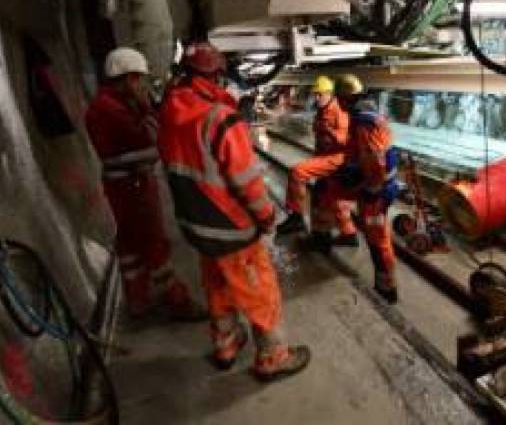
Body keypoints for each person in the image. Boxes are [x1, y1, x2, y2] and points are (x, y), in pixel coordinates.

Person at [157, 41, 311, 381]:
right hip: (231, 227)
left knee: (217, 285)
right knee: (259, 291)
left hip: (196, 226)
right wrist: (268, 218)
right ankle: (273, 357)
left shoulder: (169, 109)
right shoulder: (221, 118)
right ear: (216, 76)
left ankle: (226, 345)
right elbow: (246, 181)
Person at [85, 47, 206, 321]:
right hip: (134, 185)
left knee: (129, 245)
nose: (140, 85)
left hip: (121, 186)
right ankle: (177, 301)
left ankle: (138, 301)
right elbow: (151, 140)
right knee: (154, 243)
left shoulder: (102, 105)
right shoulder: (111, 110)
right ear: (126, 78)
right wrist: (148, 108)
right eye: (138, 79)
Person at [314, 74, 400, 303]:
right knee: (324, 189)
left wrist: (368, 193)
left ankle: (387, 289)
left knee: (377, 239)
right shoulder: (365, 116)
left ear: (345, 99)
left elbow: (375, 164)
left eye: (340, 100)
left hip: (376, 191)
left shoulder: (364, 122)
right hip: (371, 184)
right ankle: (332, 235)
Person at [276, 76, 359, 247]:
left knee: (298, 172)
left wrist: (328, 130)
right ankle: (348, 234)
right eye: (315, 94)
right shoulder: (322, 110)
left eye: (319, 94)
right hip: (324, 157)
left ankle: (297, 216)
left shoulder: (339, 111)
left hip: (337, 158)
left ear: (329, 94)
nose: (316, 98)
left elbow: (343, 142)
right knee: (331, 198)